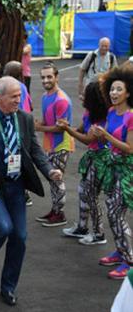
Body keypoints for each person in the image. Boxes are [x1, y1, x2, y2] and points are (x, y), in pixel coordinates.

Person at [0, 76, 62, 306]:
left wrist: (50, 171)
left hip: (16, 185)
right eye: (14, 96)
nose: (19, 100)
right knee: (3, 226)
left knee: (20, 237)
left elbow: (35, 151)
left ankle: (8, 287)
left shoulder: (24, 118)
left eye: (20, 95)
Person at [93, 66, 133, 279]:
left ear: (128, 93)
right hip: (112, 167)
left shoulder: (131, 117)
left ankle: (129, 260)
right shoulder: (110, 112)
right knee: (113, 210)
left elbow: (129, 148)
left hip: (127, 171)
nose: (114, 93)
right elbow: (108, 140)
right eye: (112, 89)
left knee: (116, 212)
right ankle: (120, 250)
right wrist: (97, 134)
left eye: (119, 89)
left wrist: (106, 136)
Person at [58, 82, 110, 245]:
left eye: (85, 94)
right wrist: (68, 126)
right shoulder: (90, 112)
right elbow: (81, 129)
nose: (82, 96)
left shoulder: (104, 117)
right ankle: (82, 227)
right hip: (92, 157)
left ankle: (99, 233)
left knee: (91, 195)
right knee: (83, 190)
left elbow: (88, 139)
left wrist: (67, 130)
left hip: (101, 158)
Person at [34, 63, 74, 227]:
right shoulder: (46, 96)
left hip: (61, 144)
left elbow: (60, 128)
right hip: (51, 144)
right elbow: (49, 121)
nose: (46, 80)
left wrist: (39, 127)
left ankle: (59, 214)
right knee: (52, 179)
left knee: (57, 179)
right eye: (43, 77)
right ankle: (55, 210)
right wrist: (39, 124)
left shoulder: (61, 100)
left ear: (56, 77)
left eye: (49, 76)